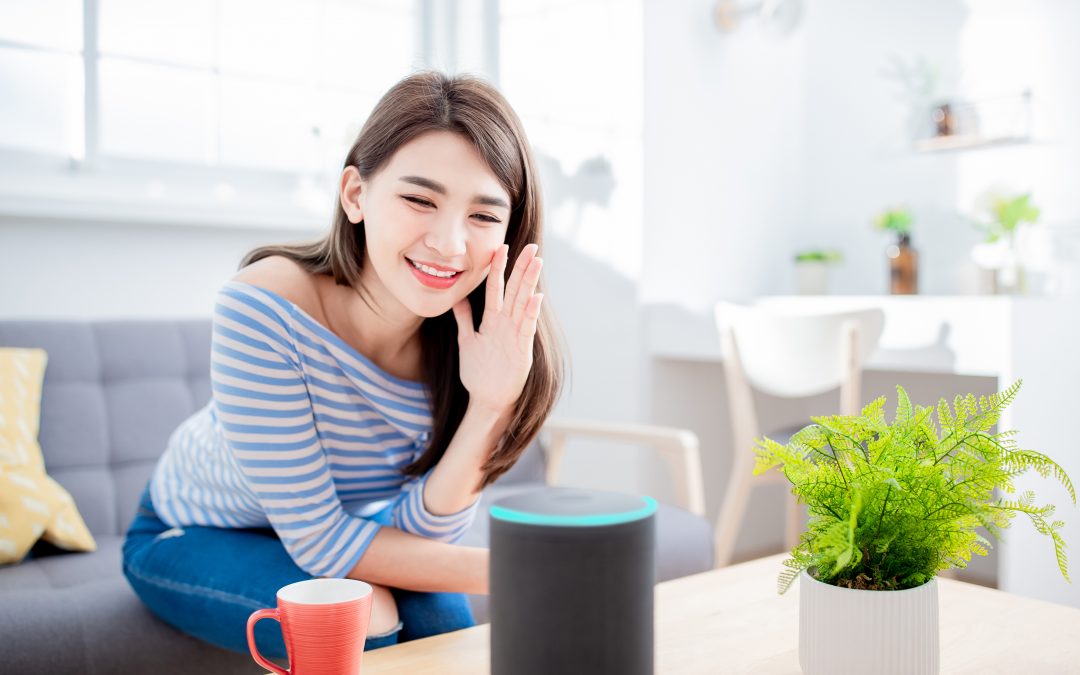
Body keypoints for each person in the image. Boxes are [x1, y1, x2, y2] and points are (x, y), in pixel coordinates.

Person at [122, 70, 564, 656]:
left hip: (333, 540)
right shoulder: (265, 306)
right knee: (363, 618)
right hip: (191, 533)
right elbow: (322, 545)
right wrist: (516, 569)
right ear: (355, 194)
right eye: (418, 199)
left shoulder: (476, 344)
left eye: (483, 216)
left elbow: (423, 531)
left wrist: (489, 404)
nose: (450, 243)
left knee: (442, 621)